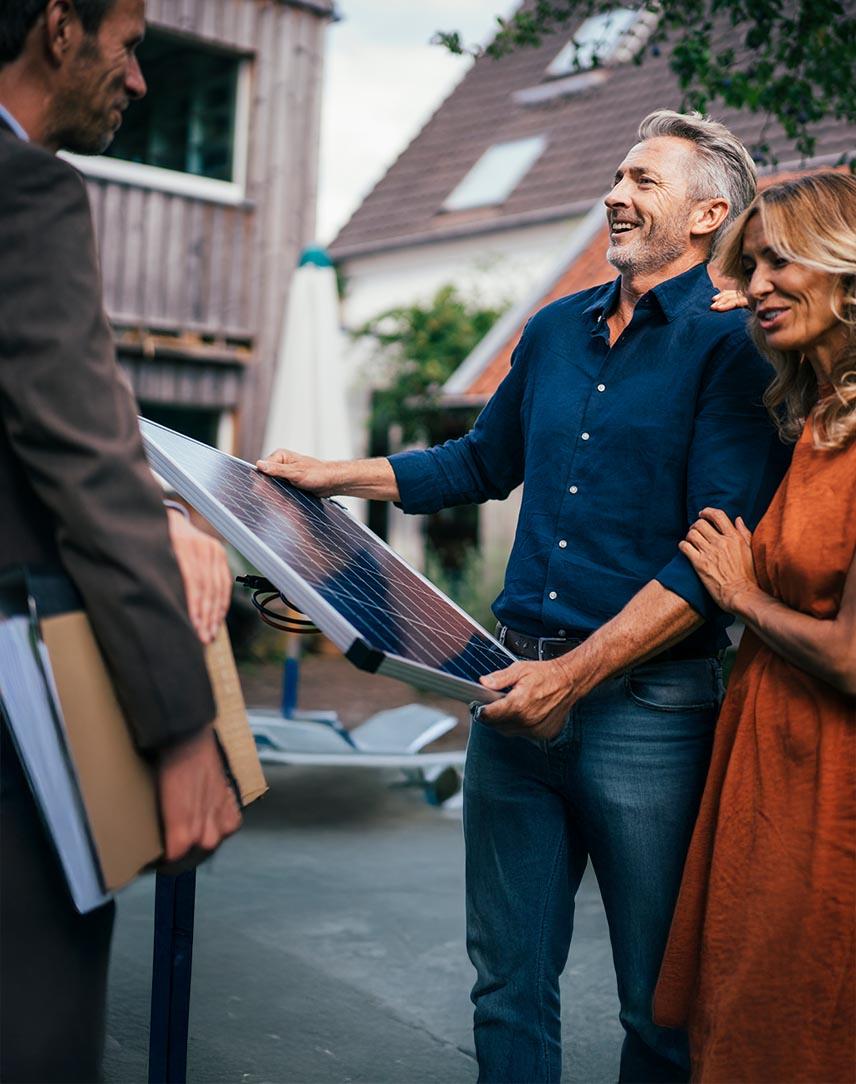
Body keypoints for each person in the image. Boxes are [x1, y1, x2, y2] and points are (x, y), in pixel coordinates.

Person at [257, 110, 792, 1081]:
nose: (613, 194)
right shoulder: (551, 331)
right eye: (616, 176)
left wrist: (573, 675)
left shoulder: (731, 351)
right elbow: (476, 461)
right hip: (510, 697)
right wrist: (325, 475)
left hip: (652, 714)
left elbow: (710, 560)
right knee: (504, 985)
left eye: (642, 181)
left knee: (656, 1006)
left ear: (709, 212)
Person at [0, 1, 241, 1079]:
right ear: (60, 26)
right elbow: (79, 455)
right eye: (133, 43)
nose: (140, 80)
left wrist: (168, 509)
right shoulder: (25, 189)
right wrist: (184, 730)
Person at [653, 171, 856, 1083]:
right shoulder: (816, 418)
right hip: (764, 764)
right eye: (752, 264)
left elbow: (853, 657)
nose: (759, 284)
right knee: (738, 1022)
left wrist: (740, 596)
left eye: (782, 259)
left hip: (831, 785)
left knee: (797, 1032)